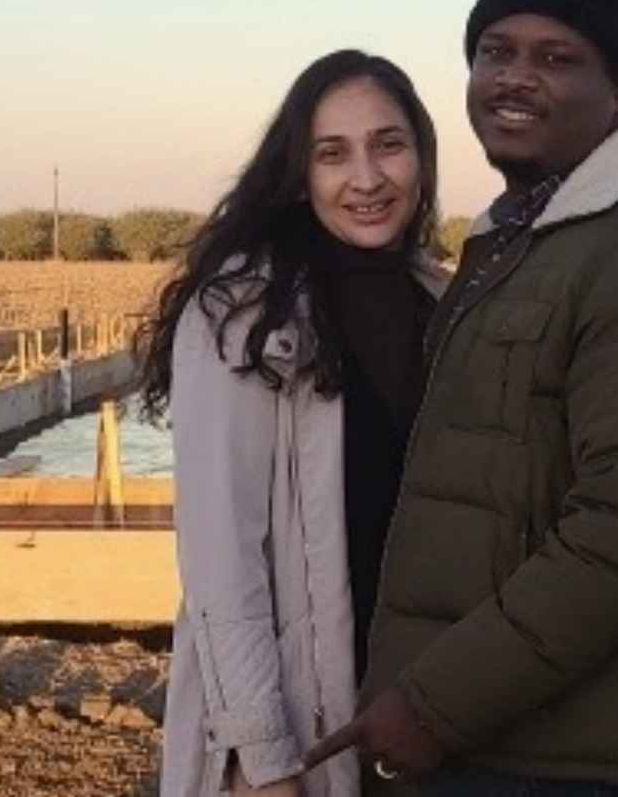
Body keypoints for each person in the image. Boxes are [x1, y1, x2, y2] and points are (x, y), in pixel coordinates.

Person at [303, 0, 618, 796]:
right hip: (503, 728)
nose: (515, 76)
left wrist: (435, 707)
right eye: (494, 51)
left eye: (556, 57)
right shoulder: (523, 240)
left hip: (562, 753)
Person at [136, 49, 446, 796]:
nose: (366, 179)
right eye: (333, 154)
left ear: (422, 158)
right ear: (299, 175)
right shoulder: (244, 318)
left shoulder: (443, 302)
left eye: (389, 145)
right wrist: (261, 756)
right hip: (306, 723)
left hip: (425, 717)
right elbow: (220, 558)